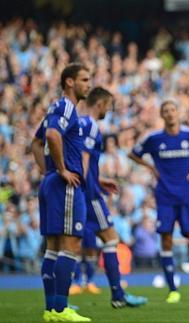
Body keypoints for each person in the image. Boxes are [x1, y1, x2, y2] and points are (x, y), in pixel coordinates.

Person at [128, 100, 189, 304]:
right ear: (162, 115)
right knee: (166, 240)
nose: (170, 114)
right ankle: (172, 290)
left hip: (187, 195)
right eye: (165, 111)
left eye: (172, 110)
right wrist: (150, 168)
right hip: (165, 196)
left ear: (178, 112)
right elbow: (133, 154)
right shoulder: (154, 139)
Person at [74, 86, 148, 308]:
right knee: (110, 238)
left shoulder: (77, 123)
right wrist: (91, 185)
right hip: (89, 194)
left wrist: (98, 179)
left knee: (66, 245)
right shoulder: (91, 125)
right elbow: (84, 163)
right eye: (109, 106)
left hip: (84, 189)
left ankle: (59, 302)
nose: (109, 110)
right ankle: (117, 295)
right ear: (100, 104)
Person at [31, 63, 92, 322]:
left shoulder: (55, 108)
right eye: (84, 79)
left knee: (53, 247)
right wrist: (62, 170)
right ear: (70, 82)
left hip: (51, 182)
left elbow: (37, 141)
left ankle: (51, 309)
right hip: (65, 184)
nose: (88, 84)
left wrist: (48, 172)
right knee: (71, 244)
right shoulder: (67, 106)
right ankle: (61, 308)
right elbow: (53, 136)